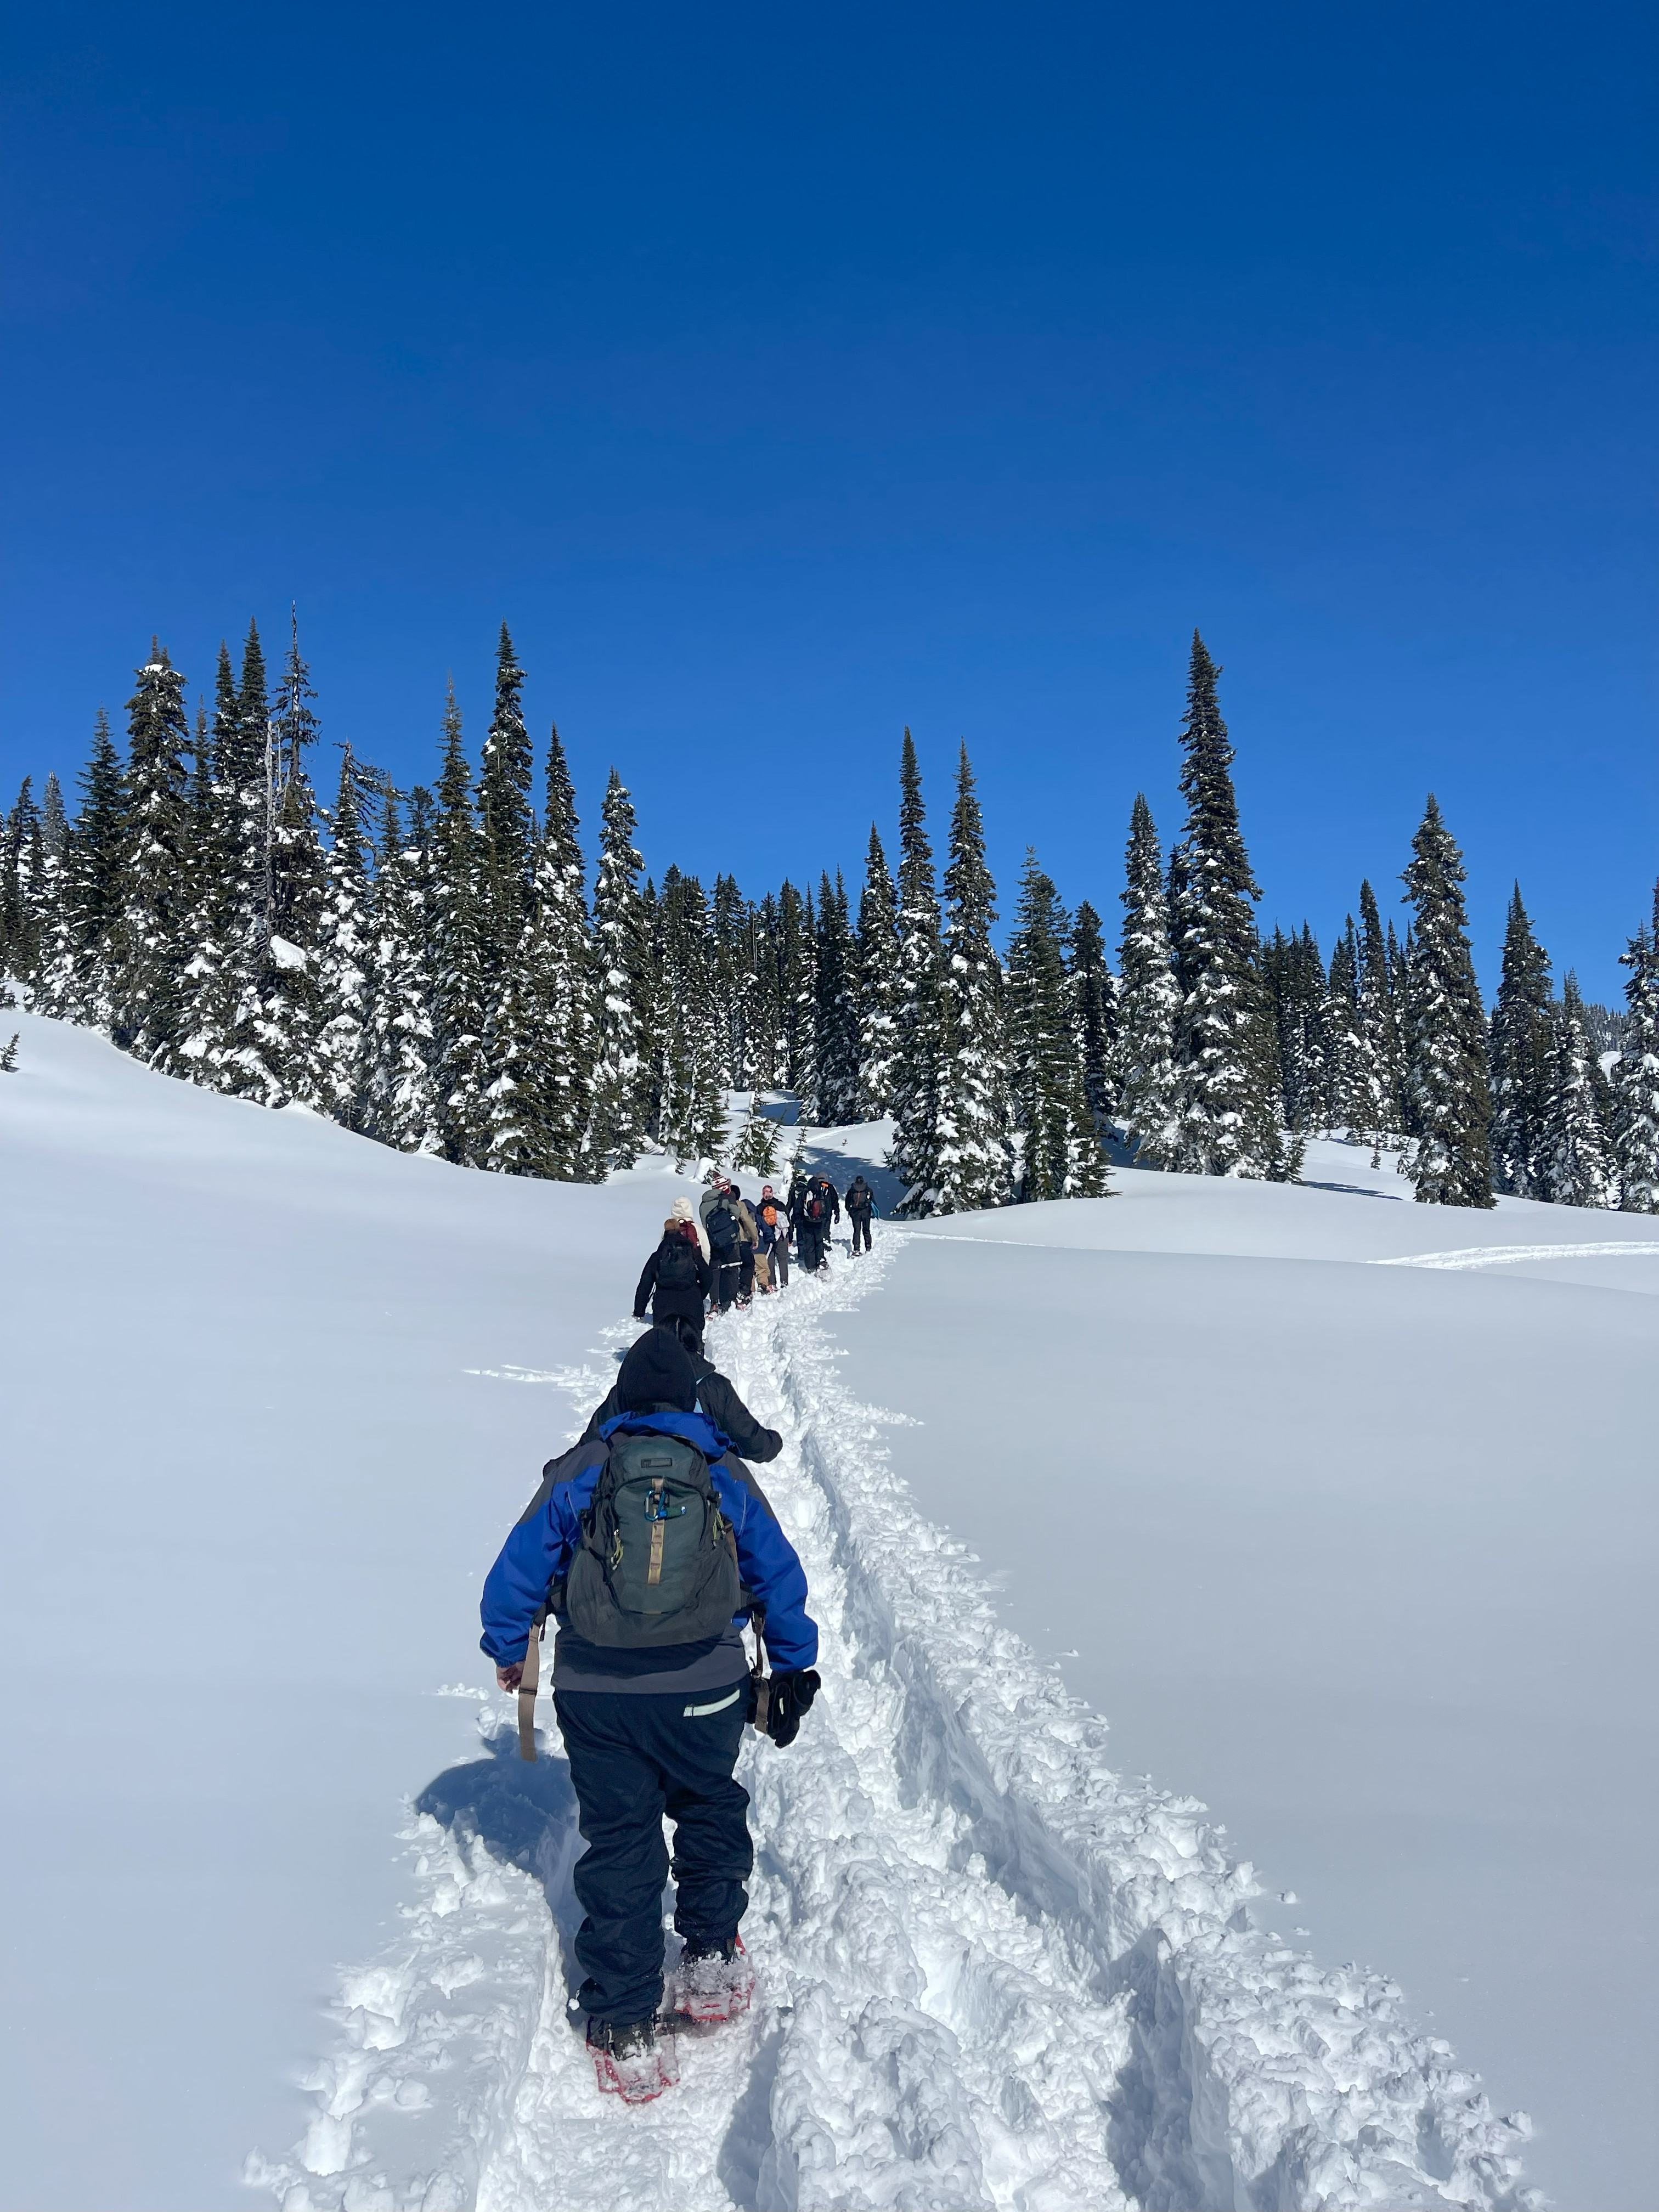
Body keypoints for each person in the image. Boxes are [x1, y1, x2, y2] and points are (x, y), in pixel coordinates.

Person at [481, 1329, 820, 2104]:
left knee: (622, 1839)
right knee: (708, 1806)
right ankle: (707, 1956)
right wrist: (794, 1662)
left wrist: (510, 1646)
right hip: (706, 1687)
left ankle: (625, 2018)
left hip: (597, 1694)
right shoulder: (720, 1471)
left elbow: (518, 1568)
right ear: (691, 1400)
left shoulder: (586, 1467)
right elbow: (776, 1568)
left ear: (625, 1397)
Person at [583, 1321, 783, 1465]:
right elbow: (750, 1439)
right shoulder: (714, 1386)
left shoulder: (630, 1386)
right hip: (696, 1486)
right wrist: (773, 1443)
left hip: (630, 1480)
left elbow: (592, 1441)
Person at [633, 1217, 712, 1338]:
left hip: (664, 1305)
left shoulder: (658, 1256)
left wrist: (639, 1310)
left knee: (665, 1343)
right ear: (679, 1231)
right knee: (693, 1342)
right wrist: (698, 1294)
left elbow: (645, 1283)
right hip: (691, 1303)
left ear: (665, 1232)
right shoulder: (693, 1253)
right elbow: (708, 1277)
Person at [700, 1180, 745, 1312]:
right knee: (732, 1268)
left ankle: (715, 1302)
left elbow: (704, 1224)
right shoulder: (727, 1199)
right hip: (731, 1241)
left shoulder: (703, 1204)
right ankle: (732, 1298)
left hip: (713, 1242)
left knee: (715, 1270)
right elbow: (736, 1213)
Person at [796, 1172, 839, 1272]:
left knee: (809, 1244)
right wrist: (836, 1212)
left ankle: (811, 1266)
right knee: (819, 1241)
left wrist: (798, 1220)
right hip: (820, 1221)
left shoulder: (805, 1193)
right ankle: (821, 1258)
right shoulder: (823, 1191)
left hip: (806, 1223)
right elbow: (833, 1201)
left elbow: (798, 1208)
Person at [754, 1182, 789, 1290]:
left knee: (770, 1260)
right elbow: (788, 1221)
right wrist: (790, 1236)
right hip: (782, 1236)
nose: (767, 1194)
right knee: (783, 1259)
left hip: (767, 1238)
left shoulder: (760, 1208)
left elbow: (757, 1223)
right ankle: (784, 1282)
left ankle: (772, 1282)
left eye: (767, 1192)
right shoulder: (780, 1205)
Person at [845, 1173, 876, 1254]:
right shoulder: (868, 1190)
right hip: (866, 1213)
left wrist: (850, 1211)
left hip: (855, 1213)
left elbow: (847, 1203)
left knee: (857, 1230)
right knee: (866, 1230)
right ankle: (868, 1247)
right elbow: (873, 1202)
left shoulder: (852, 1190)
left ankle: (856, 1248)